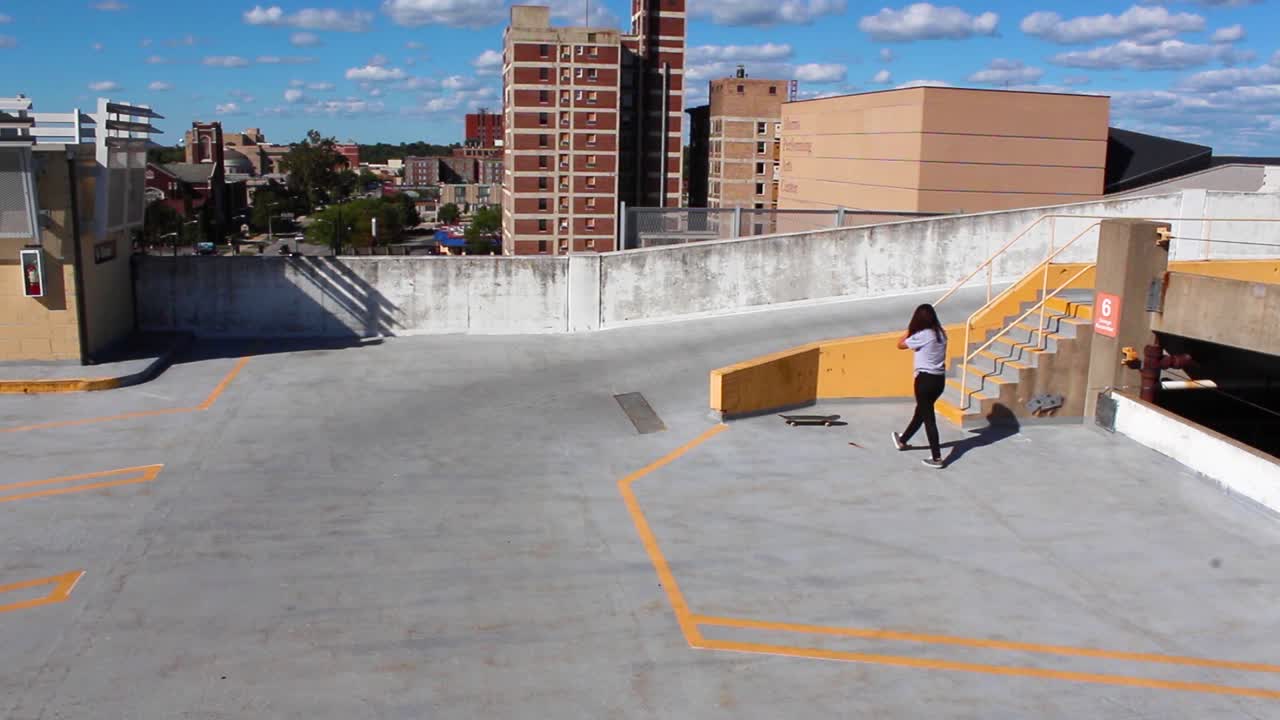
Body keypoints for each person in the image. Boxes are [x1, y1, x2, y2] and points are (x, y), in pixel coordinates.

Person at [892, 304, 948, 468]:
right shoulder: (941, 334)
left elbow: (900, 344)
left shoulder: (923, 335)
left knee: (928, 418)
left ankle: (937, 458)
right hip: (939, 380)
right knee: (921, 413)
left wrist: (910, 330)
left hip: (924, 380)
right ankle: (902, 440)